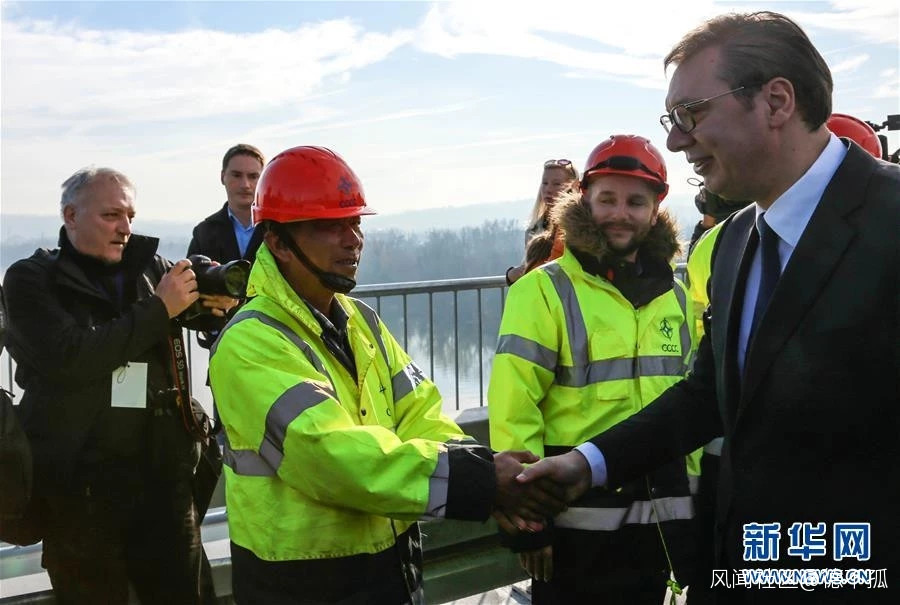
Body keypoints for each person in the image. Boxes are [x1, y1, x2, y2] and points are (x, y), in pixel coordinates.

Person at [515, 11, 899, 604]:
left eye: (690, 114)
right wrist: (587, 463)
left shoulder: (890, 221)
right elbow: (710, 395)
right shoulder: (735, 242)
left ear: (776, 102)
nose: (676, 141)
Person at [208, 145, 565, 604]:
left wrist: (481, 472)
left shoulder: (362, 322)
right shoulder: (250, 341)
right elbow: (328, 455)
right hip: (301, 584)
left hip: (388, 569)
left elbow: (421, 413)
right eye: (330, 226)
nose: (353, 239)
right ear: (278, 243)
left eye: (355, 223)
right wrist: (480, 482)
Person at [2, 167, 238, 603]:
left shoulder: (149, 268)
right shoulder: (30, 279)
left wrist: (216, 301)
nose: (126, 228)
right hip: (80, 491)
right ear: (71, 216)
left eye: (130, 215)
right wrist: (159, 310)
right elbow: (70, 358)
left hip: (163, 482)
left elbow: (192, 309)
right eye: (111, 215)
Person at [489, 135, 700, 604]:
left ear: (656, 209)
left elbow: (691, 405)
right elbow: (514, 409)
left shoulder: (676, 296)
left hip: (660, 530)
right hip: (573, 533)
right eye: (607, 199)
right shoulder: (543, 290)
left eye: (635, 202)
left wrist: (696, 506)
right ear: (584, 198)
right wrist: (528, 522)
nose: (619, 214)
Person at [187, 143, 266, 266]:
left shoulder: (279, 229)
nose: (245, 185)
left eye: (253, 177)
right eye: (237, 175)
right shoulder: (204, 233)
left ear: (263, 180)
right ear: (222, 177)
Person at [505, 159, 580, 285]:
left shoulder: (574, 224)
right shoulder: (535, 227)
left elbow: (552, 269)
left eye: (556, 184)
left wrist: (512, 274)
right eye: (545, 183)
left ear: (573, 187)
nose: (548, 189)